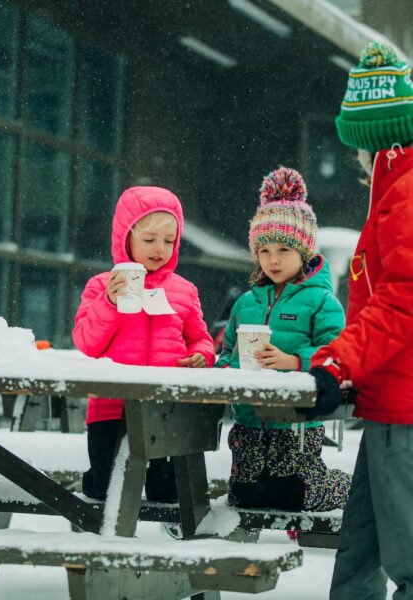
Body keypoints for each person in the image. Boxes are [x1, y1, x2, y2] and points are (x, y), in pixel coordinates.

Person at [302, 41, 413, 599]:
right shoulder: (393, 196)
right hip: (390, 403)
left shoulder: (407, 197)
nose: (358, 167)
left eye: (359, 153)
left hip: (407, 413)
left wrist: (338, 362)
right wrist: (336, 364)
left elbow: (401, 302)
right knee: (358, 560)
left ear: (379, 143)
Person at [215, 166, 351, 511]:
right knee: (244, 496)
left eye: (283, 250)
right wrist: (226, 369)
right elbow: (227, 350)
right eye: (264, 251)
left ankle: (346, 486)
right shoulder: (246, 303)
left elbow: (337, 351)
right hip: (247, 420)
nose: (272, 260)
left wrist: (295, 362)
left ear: (304, 253)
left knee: (293, 495)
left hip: (297, 421)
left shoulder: (321, 301)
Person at [73, 185, 215, 502]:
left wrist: (201, 355)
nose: (159, 248)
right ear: (126, 238)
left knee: (168, 492)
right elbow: (86, 343)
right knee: (107, 488)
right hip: (111, 406)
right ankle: (94, 488)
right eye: (149, 239)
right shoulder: (100, 286)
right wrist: (109, 302)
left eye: (169, 240)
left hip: (168, 406)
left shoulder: (184, 291)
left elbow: (201, 339)